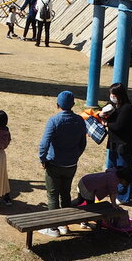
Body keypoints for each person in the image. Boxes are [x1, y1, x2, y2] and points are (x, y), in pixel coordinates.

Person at [37, 90, 88, 236]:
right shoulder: (79, 120)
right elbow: (82, 143)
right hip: (71, 164)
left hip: (54, 164)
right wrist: (75, 156)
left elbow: (44, 144)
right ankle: (65, 224)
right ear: (73, 104)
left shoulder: (54, 121)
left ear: (57, 104)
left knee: (52, 195)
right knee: (65, 194)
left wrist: (43, 159)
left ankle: (53, 228)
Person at [101, 82, 132, 203]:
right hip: (114, 143)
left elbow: (119, 126)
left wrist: (106, 123)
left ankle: (123, 196)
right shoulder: (113, 105)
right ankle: (114, 190)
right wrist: (102, 113)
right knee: (113, 168)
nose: (111, 97)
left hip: (125, 145)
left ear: (119, 95)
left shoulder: (126, 108)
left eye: (113, 95)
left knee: (125, 170)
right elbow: (103, 110)